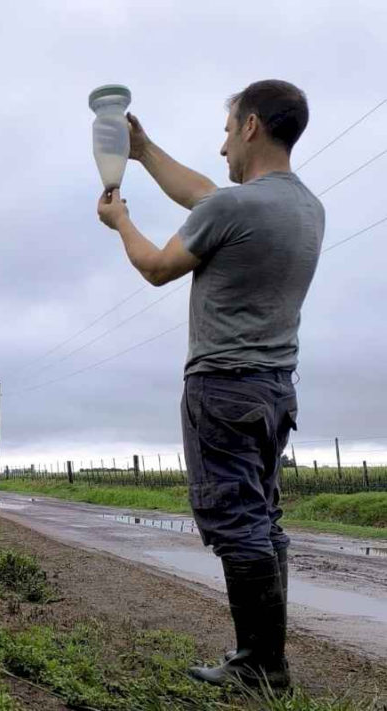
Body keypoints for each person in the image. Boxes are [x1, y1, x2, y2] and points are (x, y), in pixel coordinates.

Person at [95, 80, 324, 689]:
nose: (222, 147)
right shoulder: (303, 206)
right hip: (275, 389)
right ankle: (262, 658)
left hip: (222, 387)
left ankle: (261, 666)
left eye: (226, 132)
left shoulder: (235, 208)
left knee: (236, 523)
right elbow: (204, 194)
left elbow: (157, 267)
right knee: (264, 519)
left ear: (250, 126)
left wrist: (121, 221)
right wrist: (143, 151)